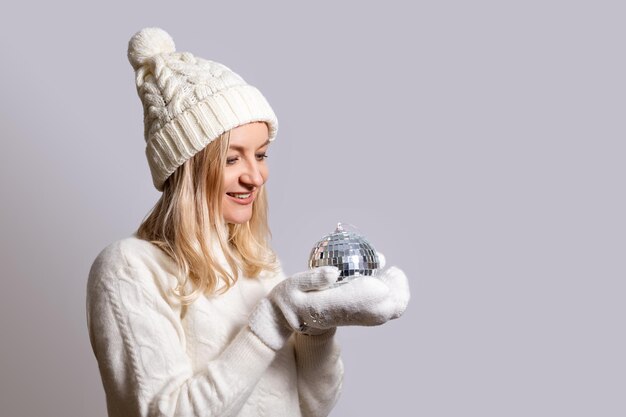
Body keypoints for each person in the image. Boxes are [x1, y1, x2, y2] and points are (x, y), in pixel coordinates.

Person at [86, 27, 411, 417]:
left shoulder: (257, 264)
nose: (255, 177)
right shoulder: (129, 269)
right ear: (187, 168)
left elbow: (312, 405)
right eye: (232, 158)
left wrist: (318, 325)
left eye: (261, 155)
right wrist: (273, 319)